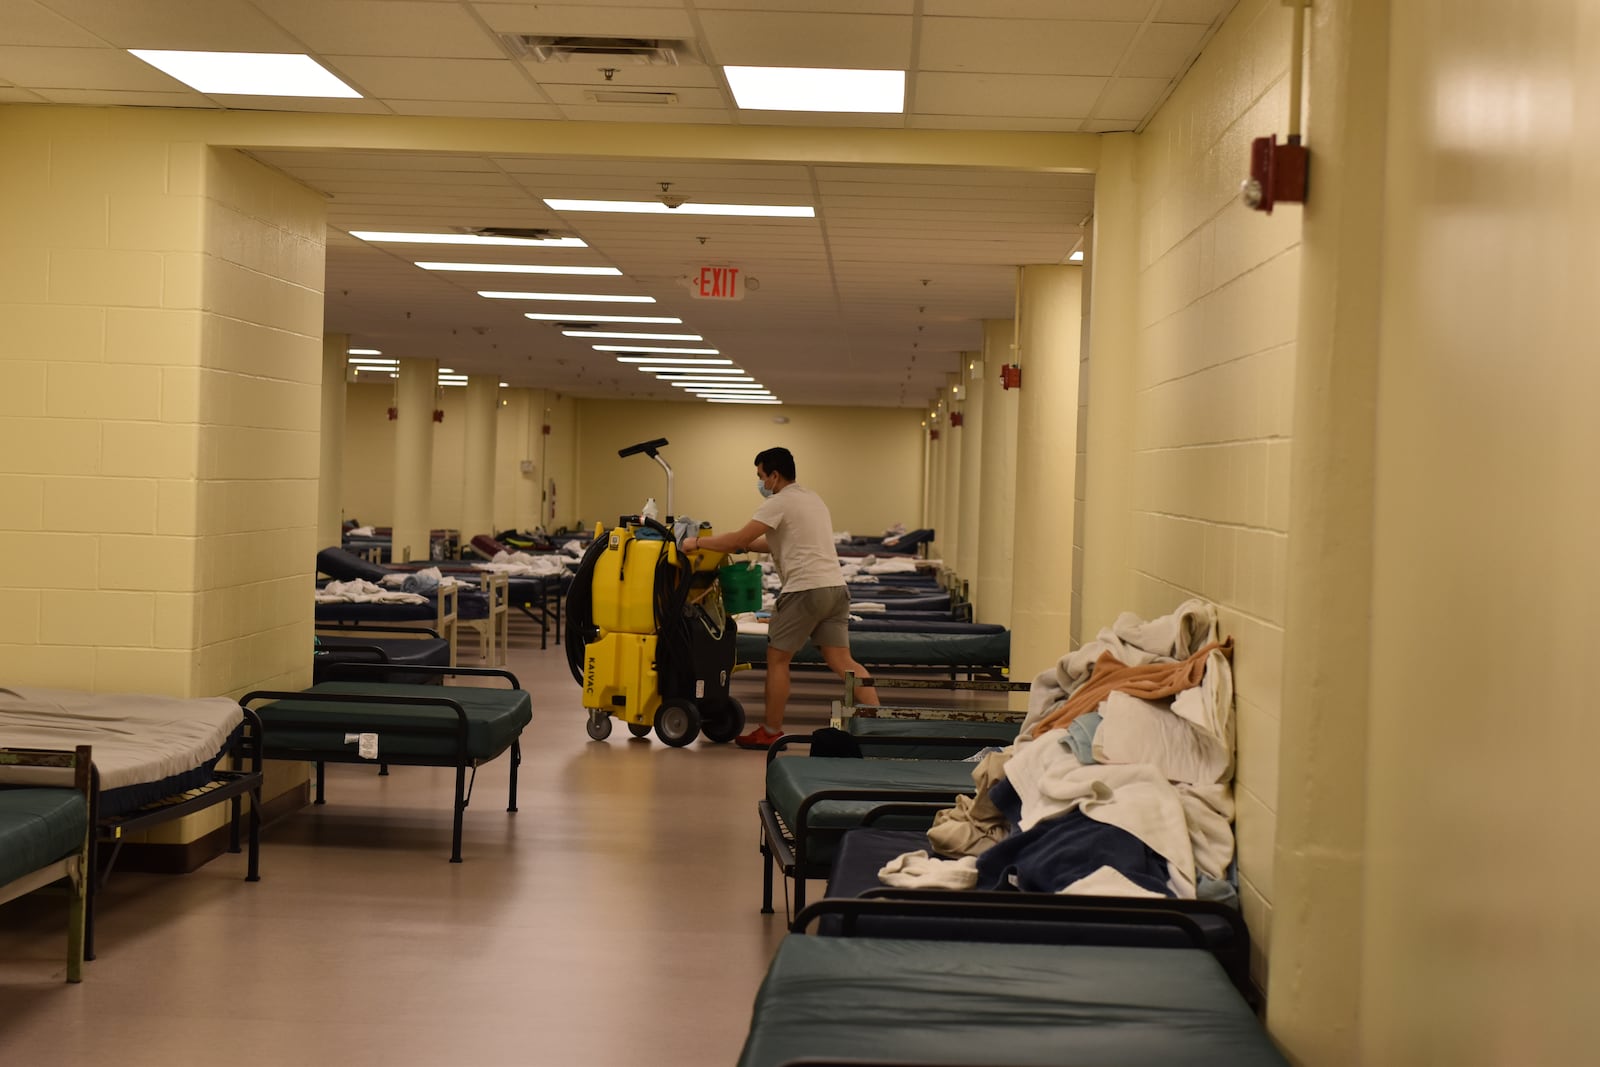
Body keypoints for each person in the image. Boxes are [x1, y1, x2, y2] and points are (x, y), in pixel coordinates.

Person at [681, 446, 879, 749]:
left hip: (804, 590)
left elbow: (739, 538)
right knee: (843, 660)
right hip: (835, 589)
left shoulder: (779, 501)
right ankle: (878, 723)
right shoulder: (812, 499)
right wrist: (742, 547)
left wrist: (695, 543)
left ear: (774, 475)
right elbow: (776, 541)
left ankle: (771, 731)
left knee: (777, 660)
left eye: (761, 476)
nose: (760, 483)